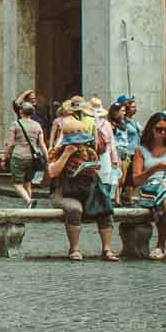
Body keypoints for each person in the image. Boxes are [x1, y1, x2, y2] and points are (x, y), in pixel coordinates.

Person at [47, 103, 116, 262]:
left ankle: (107, 249)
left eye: (81, 142)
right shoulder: (57, 152)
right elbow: (52, 172)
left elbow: (96, 168)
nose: (79, 146)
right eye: (76, 143)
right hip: (64, 191)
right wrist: (66, 154)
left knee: (105, 208)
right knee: (74, 209)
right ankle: (75, 248)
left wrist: (91, 169)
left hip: (87, 189)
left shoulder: (89, 151)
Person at [129, 113, 166, 260]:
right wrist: (154, 169)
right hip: (148, 190)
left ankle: (162, 245)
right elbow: (136, 180)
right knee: (163, 187)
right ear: (151, 129)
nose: (163, 133)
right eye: (159, 129)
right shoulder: (141, 150)